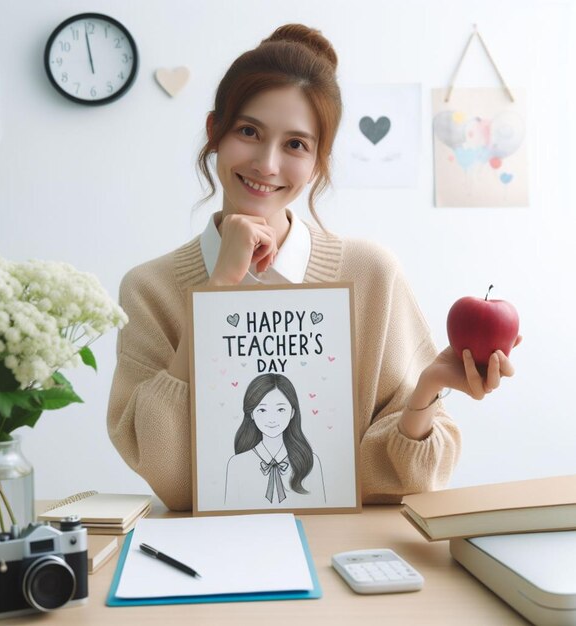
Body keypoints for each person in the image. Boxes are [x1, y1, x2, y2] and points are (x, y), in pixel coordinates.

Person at [107, 24, 521, 512]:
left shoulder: (372, 274)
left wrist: (426, 390)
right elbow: (171, 479)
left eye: (296, 145)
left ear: (319, 161)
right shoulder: (149, 290)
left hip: (345, 551)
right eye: (248, 131)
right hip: (206, 554)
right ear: (213, 131)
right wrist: (218, 289)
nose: (266, 163)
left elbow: (402, 481)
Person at [224, 373, 326, 508]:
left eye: (280, 409)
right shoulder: (236, 464)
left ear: (292, 413)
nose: (271, 419)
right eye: (262, 410)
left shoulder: (310, 461)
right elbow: (230, 513)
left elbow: (321, 509)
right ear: (252, 414)